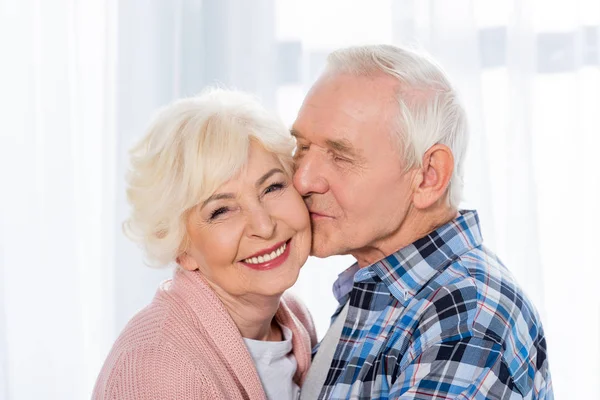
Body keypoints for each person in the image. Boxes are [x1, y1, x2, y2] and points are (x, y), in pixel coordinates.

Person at [293, 45, 553, 399]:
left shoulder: (464, 322)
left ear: (429, 176)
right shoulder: (383, 288)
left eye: (340, 156)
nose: (303, 180)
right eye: (302, 147)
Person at [93, 88, 317, 400]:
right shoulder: (157, 366)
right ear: (181, 248)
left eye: (273, 187)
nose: (264, 226)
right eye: (221, 210)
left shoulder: (293, 318)